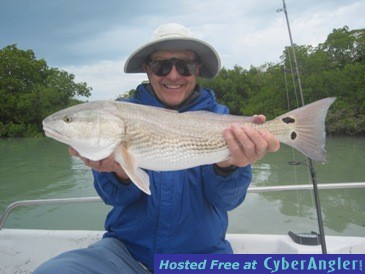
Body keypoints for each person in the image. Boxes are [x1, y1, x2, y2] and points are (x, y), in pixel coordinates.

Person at [34, 23, 279, 273]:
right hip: (125, 254)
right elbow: (114, 198)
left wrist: (227, 167)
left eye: (185, 66)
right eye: (161, 66)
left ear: (197, 70)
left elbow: (228, 201)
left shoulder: (226, 122)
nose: (173, 75)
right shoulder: (115, 117)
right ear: (147, 69)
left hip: (203, 257)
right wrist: (119, 172)